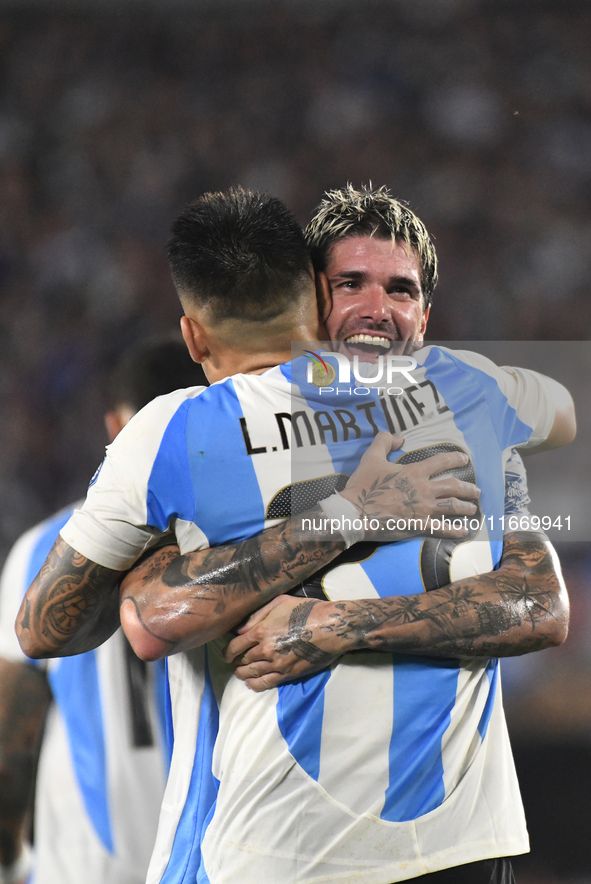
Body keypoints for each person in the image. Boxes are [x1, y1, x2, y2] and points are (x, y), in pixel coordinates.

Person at [16, 188, 572, 884]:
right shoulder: (210, 430)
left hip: (432, 849)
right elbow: (148, 615)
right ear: (311, 300)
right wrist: (350, 515)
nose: (375, 309)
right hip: (277, 843)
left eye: (399, 289)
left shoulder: (462, 405)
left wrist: (337, 622)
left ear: (424, 317)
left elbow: (540, 602)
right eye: (350, 285)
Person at [0, 336, 207, 884]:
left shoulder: (42, 553)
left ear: (116, 430)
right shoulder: (260, 543)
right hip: (215, 859)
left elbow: (6, 750)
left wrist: (12, 863)